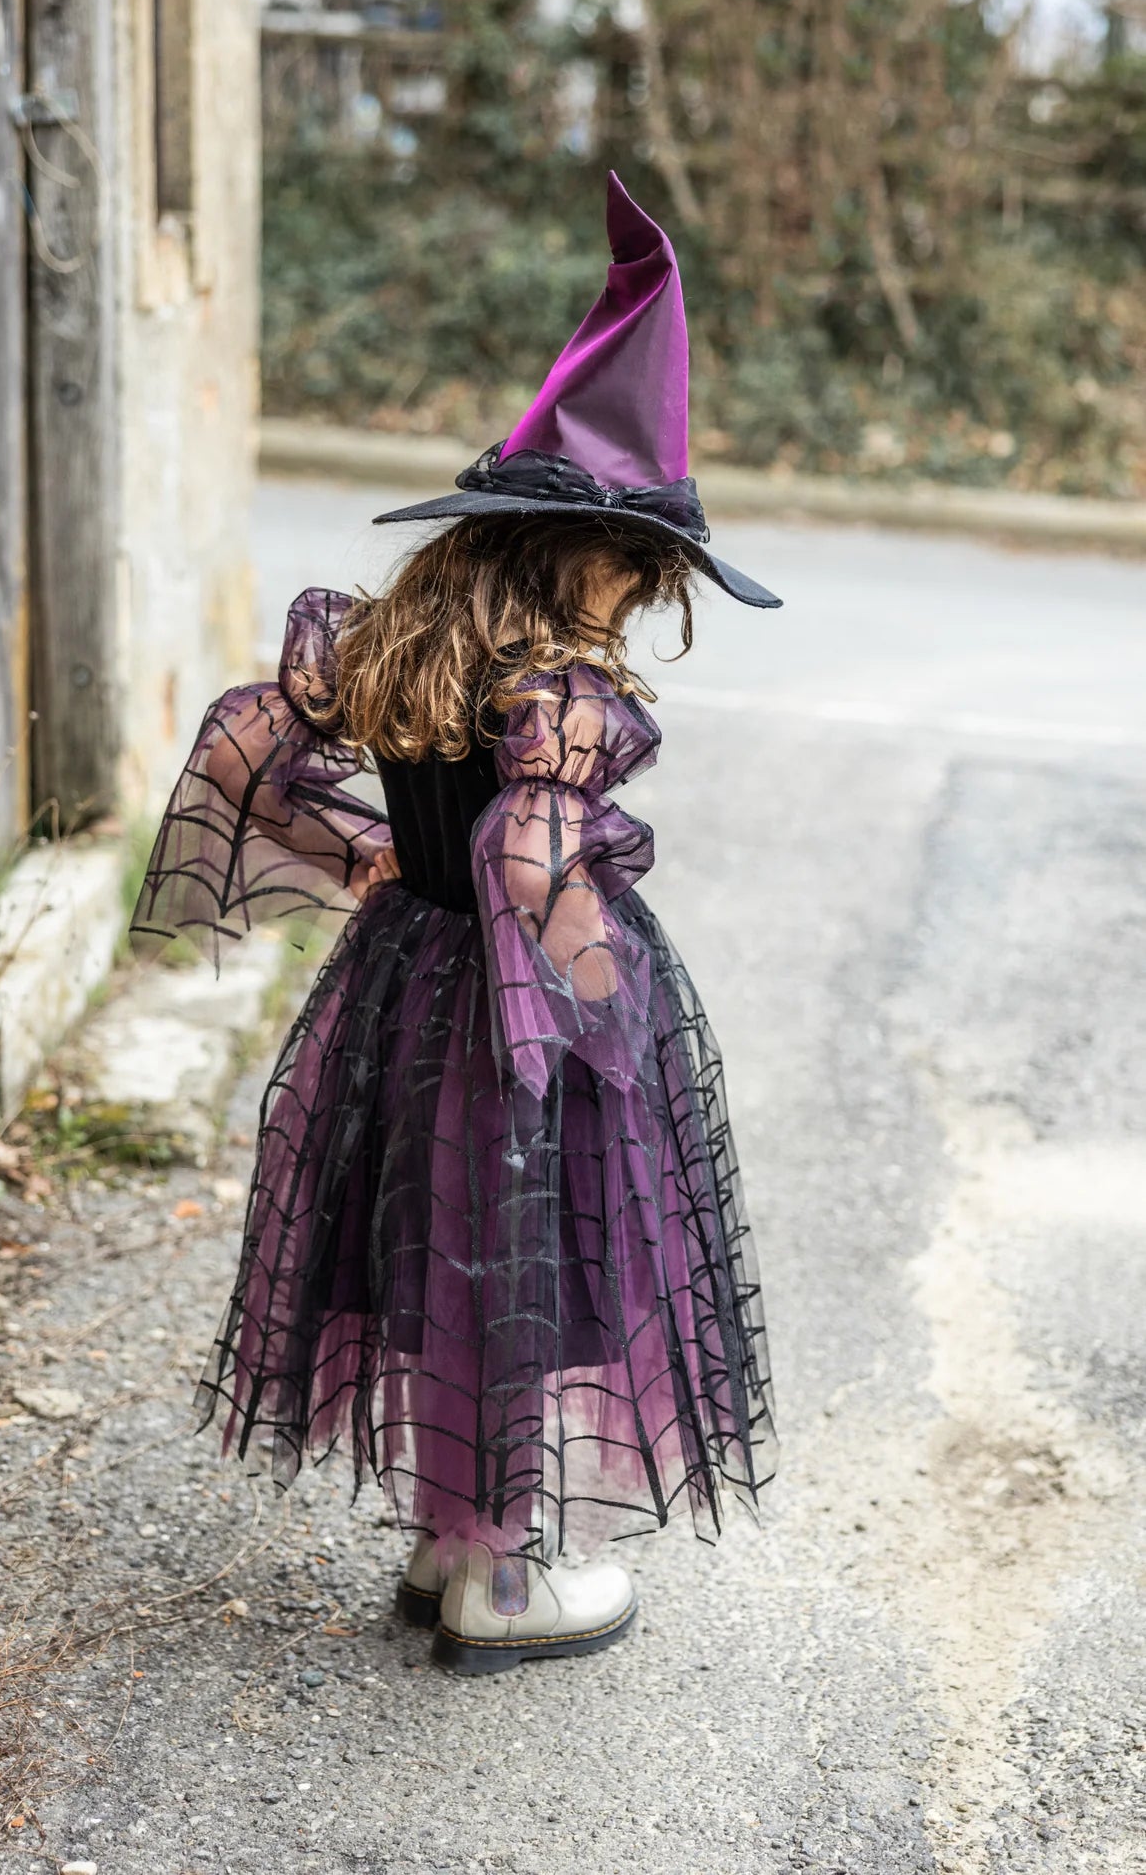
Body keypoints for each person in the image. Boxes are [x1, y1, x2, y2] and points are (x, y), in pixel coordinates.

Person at [132, 173, 780, 1675]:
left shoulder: (382, 641)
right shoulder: (560, 694)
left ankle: (448, 1539)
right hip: (511, 1017)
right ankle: (508, 1577)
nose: (639, 603)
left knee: (431, 1242)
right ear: (574, 553)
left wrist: (364, 849)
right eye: (637, 574)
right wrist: (601, 1012)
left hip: (403, 991)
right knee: (536, 1254)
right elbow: (535, 869)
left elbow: (238, 759)